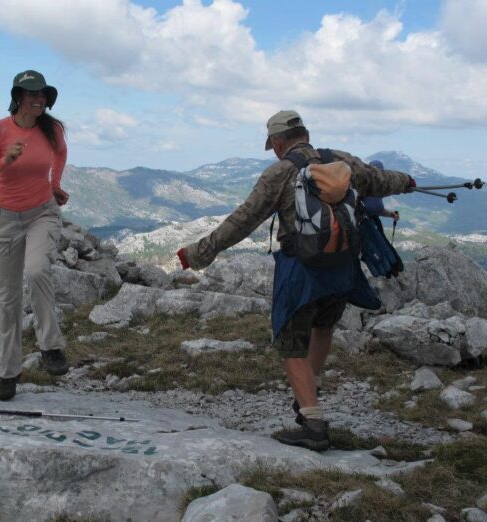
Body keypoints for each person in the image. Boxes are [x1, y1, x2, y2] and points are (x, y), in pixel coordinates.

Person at [177, 110, 415, 451]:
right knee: (323, 326)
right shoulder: (339, 160)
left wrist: (199, 253)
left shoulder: (280, 172)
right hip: (343, 266)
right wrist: (408, 181)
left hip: (301, 270)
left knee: (290, 342)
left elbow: (243, 220)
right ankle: (309, 394)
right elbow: (378, 179)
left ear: (277, 142)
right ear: (304, 133)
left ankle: (313, 425)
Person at [0, 70, 70, 401]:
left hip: (42, 212)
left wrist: (54, 185)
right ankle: (8, 372)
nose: (38, 98)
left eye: (42, 93)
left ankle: (50, 347)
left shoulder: (51, 129)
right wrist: (4, 161)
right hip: (6, 219)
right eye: (30, 93)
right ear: (18, 97)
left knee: (38, 269)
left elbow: (61, 154)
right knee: (7, 298)